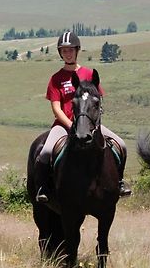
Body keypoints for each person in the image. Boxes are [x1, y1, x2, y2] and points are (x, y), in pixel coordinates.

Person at [34, 32, 132, 203]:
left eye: (70, 50)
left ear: (77, 50)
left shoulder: (88, 74)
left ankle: (120, 182)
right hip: (64, 126)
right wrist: (72, 124)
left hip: (90, 126)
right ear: (60, 53)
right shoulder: (56, 79)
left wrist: (91, 123)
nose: (68, 53)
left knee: (121, 145)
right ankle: (45, 188)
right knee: (45, 152)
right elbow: (56, 108)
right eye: (64, 51)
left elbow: (98, 100)